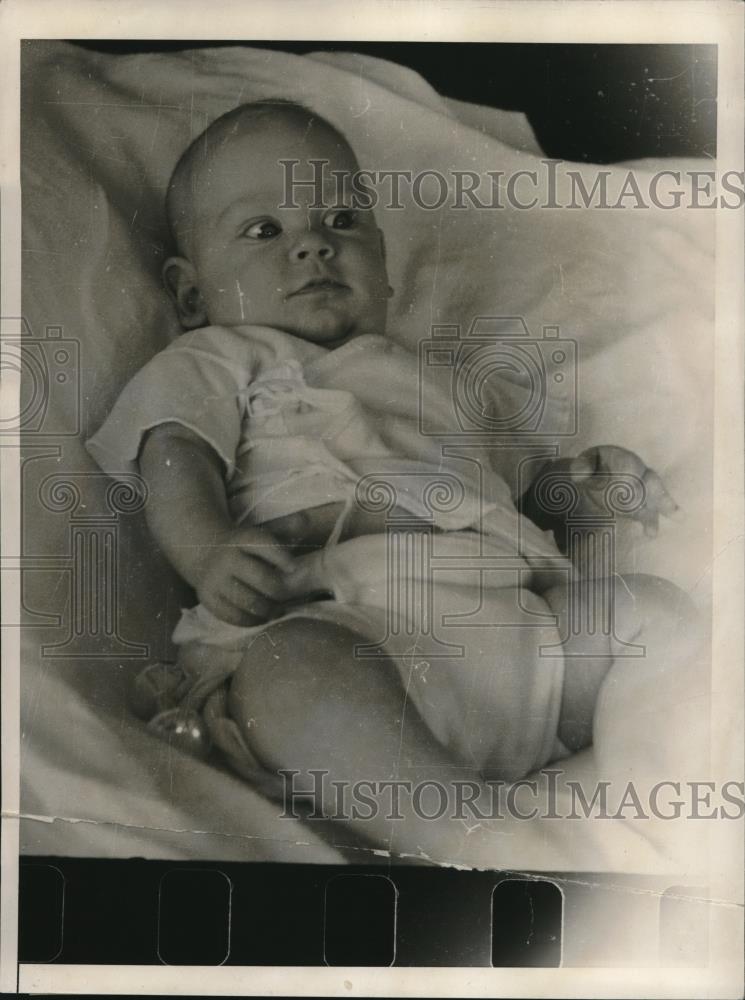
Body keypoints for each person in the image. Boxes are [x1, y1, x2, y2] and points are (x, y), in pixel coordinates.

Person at [87, 100, 695, 866]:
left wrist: (577, 494)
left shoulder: (444, 385)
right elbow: (172, 452)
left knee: (649, 614)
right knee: (289, 673)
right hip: (345, 623)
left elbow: (515, 498)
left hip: (517, 641)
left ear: (382, 260)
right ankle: (476, 838)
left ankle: (664, 801)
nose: (310, 246)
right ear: (190, 294)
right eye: (264, 231)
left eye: (340, 221)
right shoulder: (222, 354)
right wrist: (207, 551)